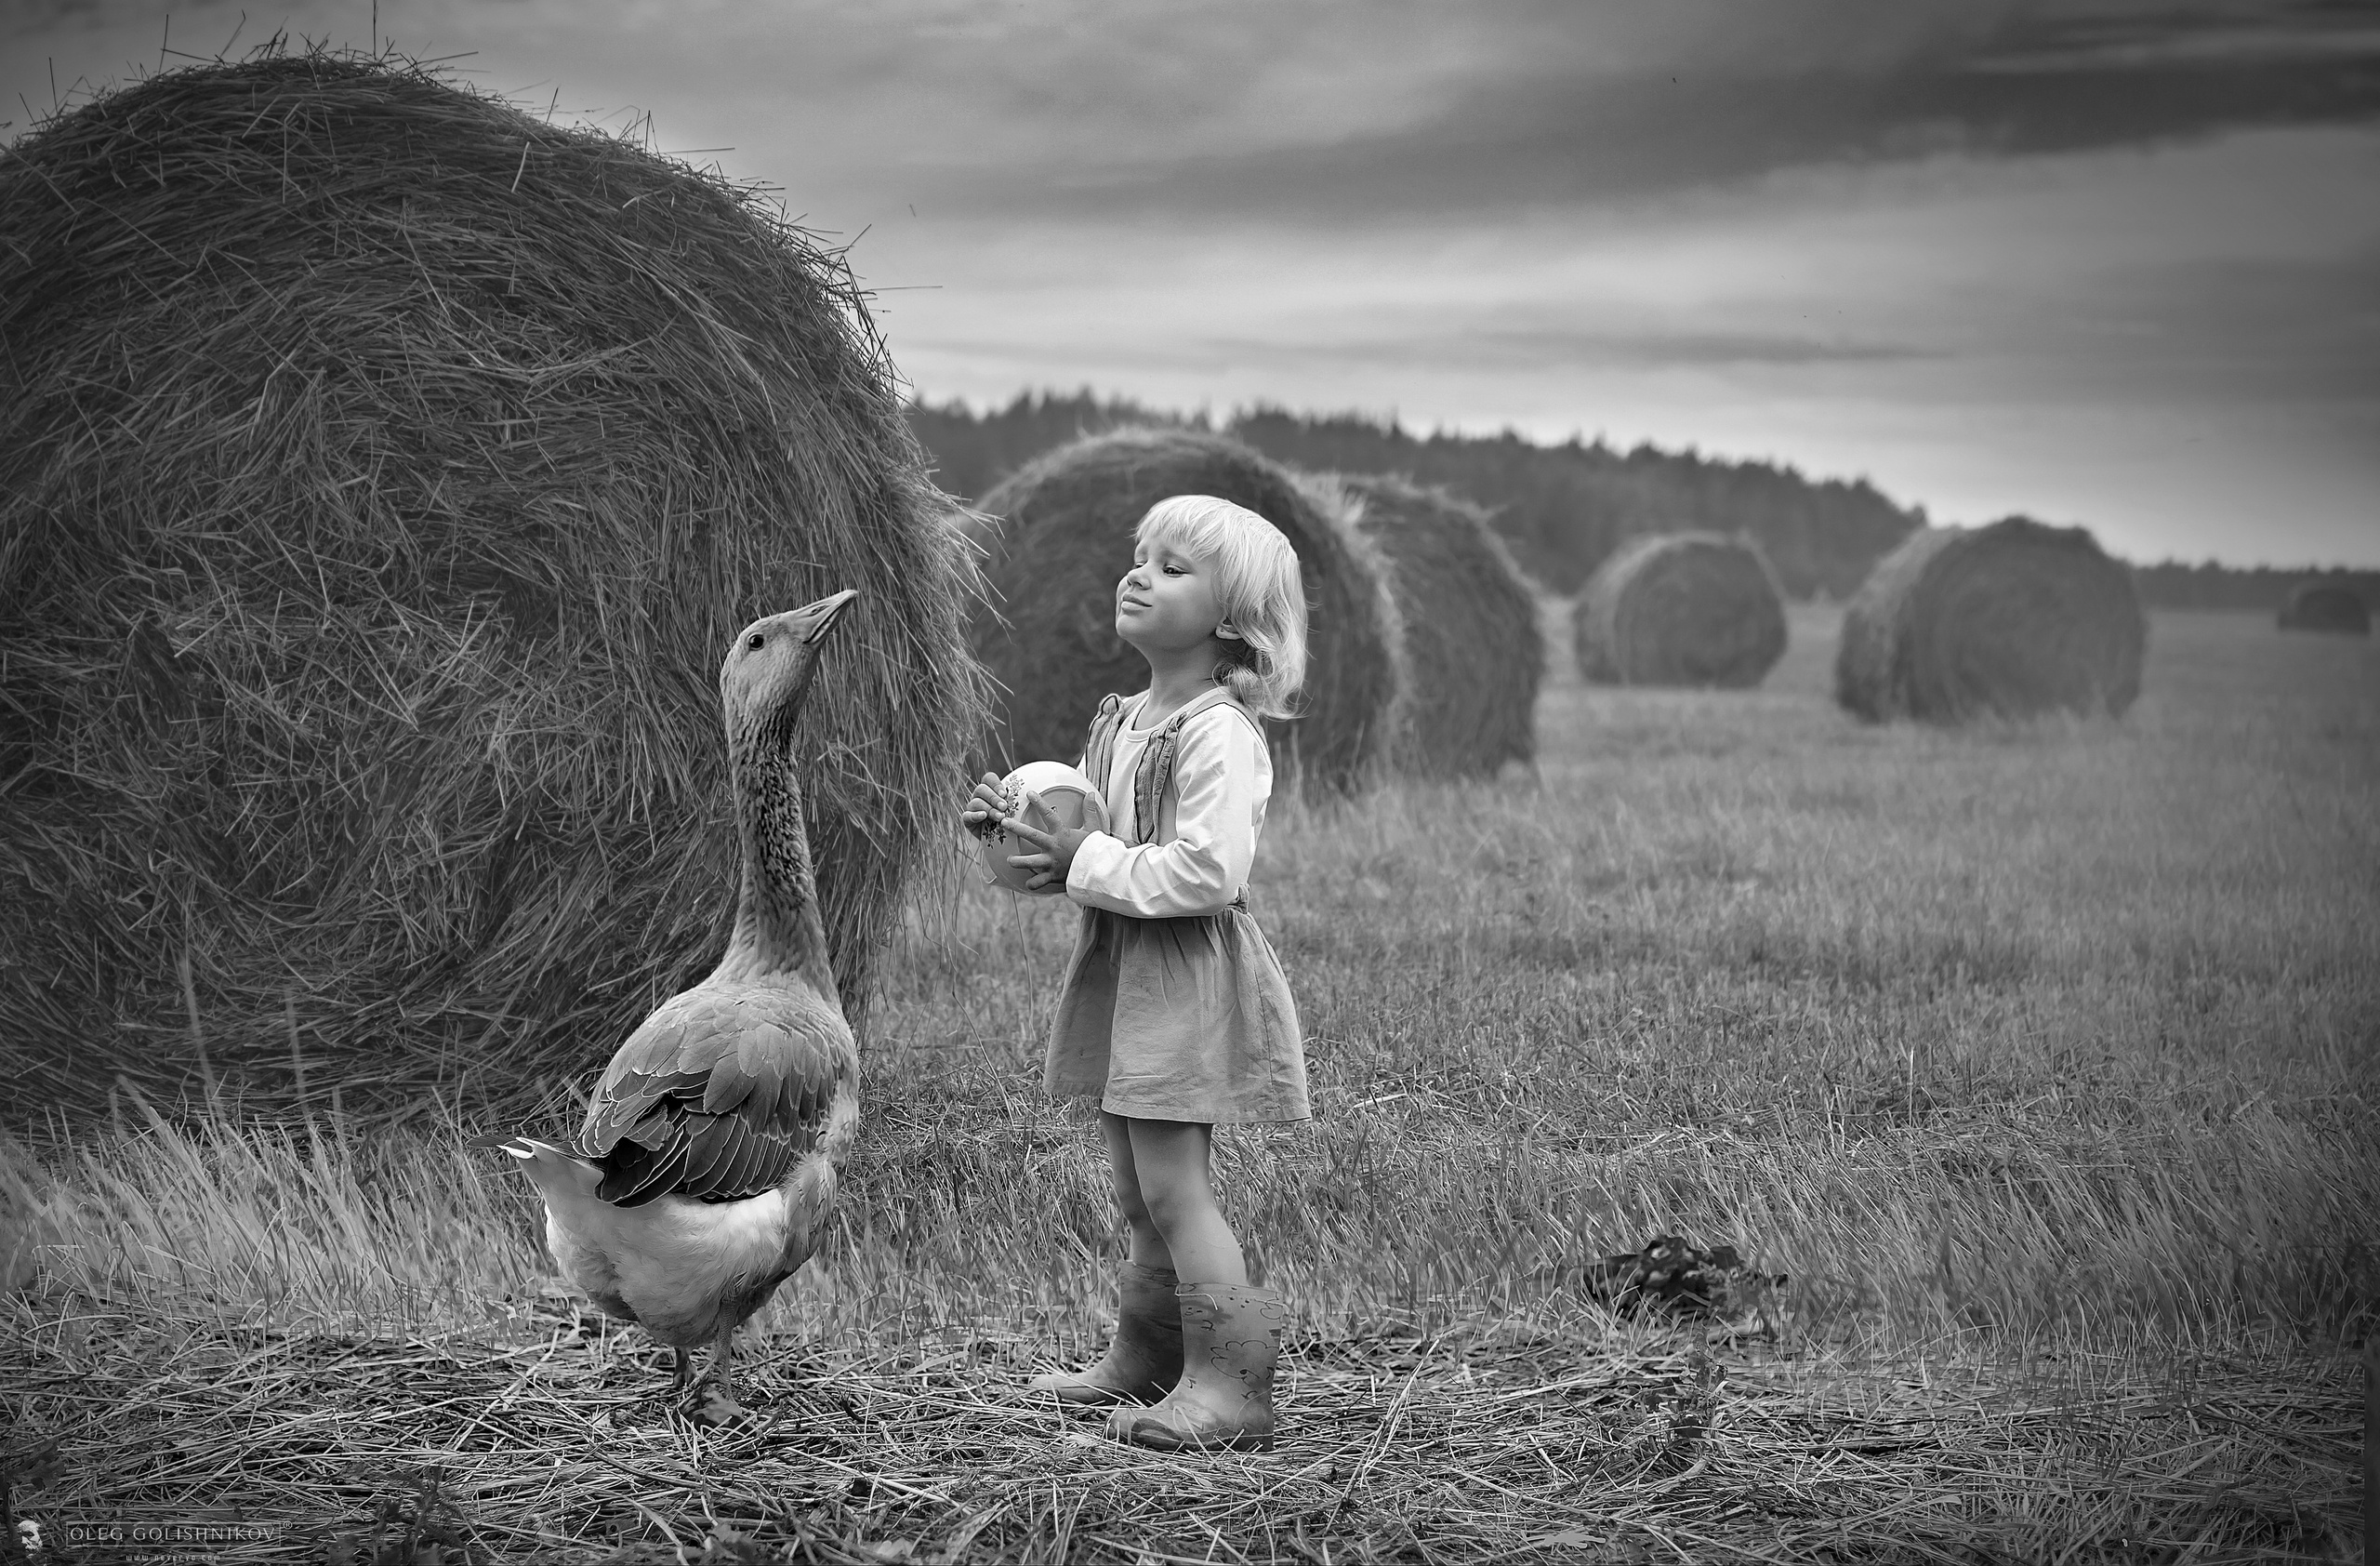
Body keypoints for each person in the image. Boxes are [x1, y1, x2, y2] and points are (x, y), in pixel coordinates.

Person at [962, 494, 1312, 1453]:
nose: (1138, 574)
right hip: (1126, 961)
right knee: (1134, 1186)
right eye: (1140, 555)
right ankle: (1147, 1360)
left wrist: (1083, 857)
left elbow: (1207, 872)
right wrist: (1020, 835)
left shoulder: (1217, 731)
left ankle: (1235, 1385)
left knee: (1174, 1189)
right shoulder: (1122, 719)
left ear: (1233, 620)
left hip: (1183, 971)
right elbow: (1100, 843)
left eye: (1172, 567)